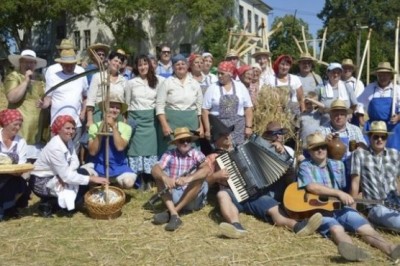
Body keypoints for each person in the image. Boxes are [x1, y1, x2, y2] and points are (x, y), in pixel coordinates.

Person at [206, 117, 322, 239]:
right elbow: (204, 184)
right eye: (223, 135)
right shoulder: (211, 158)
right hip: (234, 195)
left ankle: (298, 227)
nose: (227, 136)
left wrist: (276, 148)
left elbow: (265, 151)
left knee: (274, 210)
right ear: (215, 140)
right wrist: (215, 176)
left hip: (256, 193)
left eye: (228, 133)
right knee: (222, 194)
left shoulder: (243, 146)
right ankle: (236, 226)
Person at [298, 132, 400, 262]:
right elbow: (311, 187)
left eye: (322, 147)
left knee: (366, 228)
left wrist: (354, 201)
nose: (320, 150)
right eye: (315, 148)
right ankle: (351, 251)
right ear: (310, 151)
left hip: (340, 207)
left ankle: (391, 249)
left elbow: (350, 186)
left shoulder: (338, 165)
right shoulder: (305, 166)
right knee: (337, 229)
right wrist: (338, 193)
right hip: (319, 210)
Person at [30, 115, 108, 217]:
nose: (71, 131)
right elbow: (67, 176)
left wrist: (65, 175)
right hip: (40, 181)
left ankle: (57, 204)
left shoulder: (68, 141)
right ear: (58, 129)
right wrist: (91, 179)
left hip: (56, 176)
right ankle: (49, 204)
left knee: (81, 173)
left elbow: (75, 162)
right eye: (67, 128)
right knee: (81, 180)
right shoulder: (55, 147)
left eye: (73, 129)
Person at [151, 127, 210, 231]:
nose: (186, 143)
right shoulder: (169, 154)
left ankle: (171, 212)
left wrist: (189, 178)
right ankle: (175, 215)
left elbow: (207, 169)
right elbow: (155, 169)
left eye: (188, 140)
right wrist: (165, 178)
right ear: (176, 143)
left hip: (193, 198)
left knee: (200, 179)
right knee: (158, 176)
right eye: (182, 141)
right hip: (175, 194)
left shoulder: (196, 153)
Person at [350, 121, 400, 232]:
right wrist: (352, 211)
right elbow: (355, 183)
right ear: (369, 137)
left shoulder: (395, 154)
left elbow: (397, 180)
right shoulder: (360, 154)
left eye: (383, 137)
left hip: (396, 203)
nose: (380, 140)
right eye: (376, 136)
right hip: (375, 206)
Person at [125, 55, 164, 189]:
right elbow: (127, 104)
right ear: (136, 67)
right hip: (135, 118)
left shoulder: (158, 81)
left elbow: (160, 101)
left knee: (150, 148)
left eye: (145, 64)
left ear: (150, 65)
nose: (143, 67)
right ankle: (139, 178)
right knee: (135, 149)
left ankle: (149, 177)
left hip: (151, 120)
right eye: (140, 65)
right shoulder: (130, 83)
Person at [40, 49, 88, 151]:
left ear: (75, 63)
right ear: (61, 64)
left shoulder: (81, 76)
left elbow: (85, 96)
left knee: (73, 154)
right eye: (66, 64)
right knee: (56, 153)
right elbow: (48, 98)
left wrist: (83, 112)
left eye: (72, 64)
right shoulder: (53, 77)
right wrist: (43, 105)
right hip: (57, 123)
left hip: (75, 123)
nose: (69, 67)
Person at [5, 49, 48, 160]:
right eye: (26, 62)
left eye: (32, 62)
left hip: (38, 129)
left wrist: (45, 103)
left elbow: (47, 96)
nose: (29, 64)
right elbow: (12, 97)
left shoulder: (40, 78)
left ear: (35, 64)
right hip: (21, 129)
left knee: (35, 164)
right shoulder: (14, 76)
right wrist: (25, 81)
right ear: (20, 62)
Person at [156, 54, 203, 155]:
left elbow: (199, 108)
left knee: (191, 150)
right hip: (172, 124)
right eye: (177, 64)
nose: (180, 66)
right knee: (171, 150)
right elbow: (159, 106)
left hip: (191, 123)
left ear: (187, 66)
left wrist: (201, 126)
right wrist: (164, 125)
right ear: (173, 67)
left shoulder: (194, 83)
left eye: (183, 64)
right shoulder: (167, 83)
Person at [86, 97, 136, 188]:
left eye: (117, 108)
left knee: (129, 183)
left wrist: (113, 126)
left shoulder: (126, 127)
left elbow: (120, 147)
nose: (114, 110)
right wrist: (101, 128)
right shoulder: (94, 126)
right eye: (111, 107)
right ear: (105, 109)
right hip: (98, 165)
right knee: (86, 177)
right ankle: (99, 183)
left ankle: (115, 185)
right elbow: (92, 152)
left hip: (118, 166)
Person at [318, 99, 367, 192]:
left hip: (352, 171)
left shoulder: (355, 129)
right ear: (330, 115)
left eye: (342, 114)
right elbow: (314, 151)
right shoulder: (322, 130)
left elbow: (364, 149)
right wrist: (324, 143)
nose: (339, 117)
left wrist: (359, 146)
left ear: (347, 115)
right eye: (336, 114)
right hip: (329, 172)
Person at [202, 61, 253, 146]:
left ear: (230, 74)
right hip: (219, 128)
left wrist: (248, 127)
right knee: (221, 154)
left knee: (237, 153)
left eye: (222, 73)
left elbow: (248, 108)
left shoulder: (240, 87)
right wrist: (207, 130)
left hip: (237, 128)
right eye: (218, 73)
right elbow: (205, 110)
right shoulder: (212, 88)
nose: (219, 76)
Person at [358, 62, 400, 151]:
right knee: (369, 150)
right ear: (377, 75)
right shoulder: (370, 88)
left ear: (390, 75)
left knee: (393, 151)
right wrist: (361, 119)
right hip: (373, 125)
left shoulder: (397, 89)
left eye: (385, 75)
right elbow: (359, 104)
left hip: (391, 126)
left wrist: (398, 117)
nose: (382, 77)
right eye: (380, 75)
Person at [0, 109, 30, 220]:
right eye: (15, 124)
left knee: (17, 183)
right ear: (6, 123)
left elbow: (21, 165)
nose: (18, 128)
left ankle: (6, 208)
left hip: (14, 177)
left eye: (20, 125)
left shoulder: (20, 141)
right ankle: (7, 209)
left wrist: (11, 170)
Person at [86, 50, 128, 126]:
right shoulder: (98, 77)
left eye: (120, 63)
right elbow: (91, 100)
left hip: (117, 116)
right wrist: (90, 120)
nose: (117, 64)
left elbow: (125, 101)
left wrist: (124, 120)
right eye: (115, 61)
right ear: (109, 61)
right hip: (99, 114)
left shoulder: (123, 81)